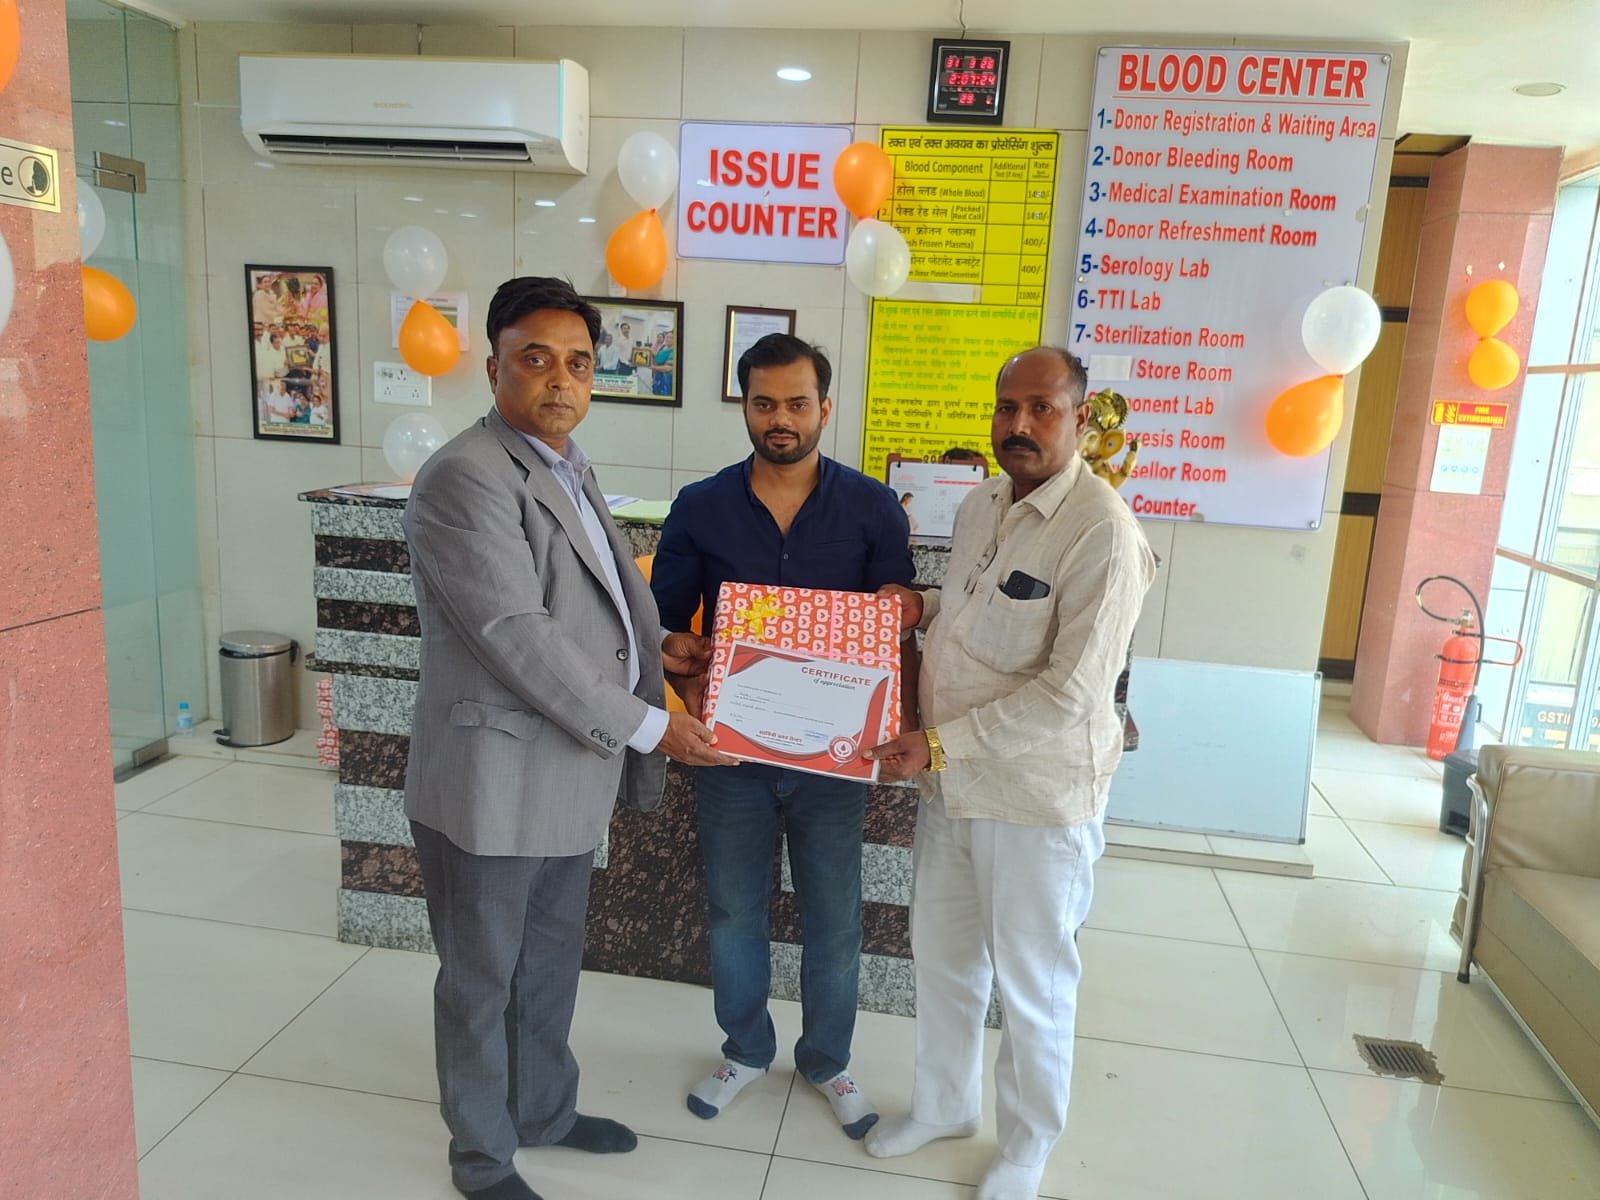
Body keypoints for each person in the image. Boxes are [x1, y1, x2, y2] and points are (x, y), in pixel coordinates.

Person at [403, 276, 735, 1200]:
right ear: (494, 367)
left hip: (563, 775)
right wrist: (650, 724)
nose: (560, 379)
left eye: (579, 363)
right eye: (536, 358)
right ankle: (482, 1158)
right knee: (481, 981)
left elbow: (593, 603)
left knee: (546, 964)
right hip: (491, 780)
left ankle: (542, 1111)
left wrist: (657, 649)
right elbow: (516, 635)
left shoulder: (565, 463)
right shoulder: (465, 475)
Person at [862, 347, 1156, 1200]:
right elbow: (975, 607)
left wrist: (938, 745)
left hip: (1035, 802)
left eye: (1042, 408)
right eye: (1006, 407)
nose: (1018, 425)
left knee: (1033, 984)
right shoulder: (981, 503)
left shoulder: (1104, 533)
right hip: (951, 787)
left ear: (1081, 417)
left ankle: (1027, 1147)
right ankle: (944, 1106)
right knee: (944, 958)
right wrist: (921, 605)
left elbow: (1071, 693)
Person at [650, 332, 915, 1140]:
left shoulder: (872, 507)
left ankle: (827, 1060)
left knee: (835, 920)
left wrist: (899, 629)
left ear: (824, 408)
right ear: (745, 405)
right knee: (734, 911)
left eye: (798, 403)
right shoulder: (701, 505)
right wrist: (680, 652)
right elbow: (663, 623)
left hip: (836, 760)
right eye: (764, 402)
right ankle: (745, 1051)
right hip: (731, 751)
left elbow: (894, 625)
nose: (781, 419)